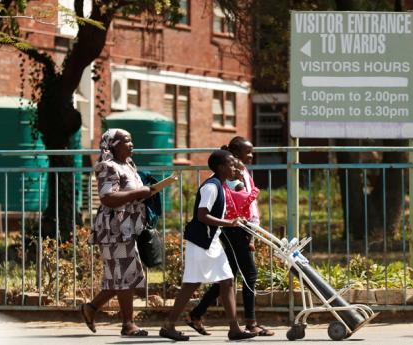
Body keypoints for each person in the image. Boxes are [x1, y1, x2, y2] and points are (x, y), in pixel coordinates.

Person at [80, 128, 177, 336]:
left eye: (131, 140)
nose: (131, 144)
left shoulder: (128, 165)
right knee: (125, 274)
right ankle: (128, 325)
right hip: (114, 228)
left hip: (129, 226)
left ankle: (91, 308)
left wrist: (149, 192)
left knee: (126, 274)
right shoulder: (108, 166)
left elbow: (129, 194)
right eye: (126, 141)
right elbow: (107, 198)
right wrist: (139, 192)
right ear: (113, 145)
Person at [159, 150, 257, 341]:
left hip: (210, 242)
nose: (234, 167)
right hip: (201, 243)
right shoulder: (211, 187)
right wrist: (229, 223)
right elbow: (202, 215)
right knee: (191, 284)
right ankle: (168, 325)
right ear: (221, 167)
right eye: (231, 164)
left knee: (227, 281)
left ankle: (234, 328)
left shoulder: (220, 185)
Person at [187, 136, 274, 337]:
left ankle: (196, 314)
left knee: (227, 277)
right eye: (247, 152)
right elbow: (239, 198)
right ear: (234, 155)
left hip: (243, 227)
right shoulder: (233, 174)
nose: (251, 156)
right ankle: (251, 323)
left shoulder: (241, 171)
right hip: (234, 227)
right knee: (249, 274)